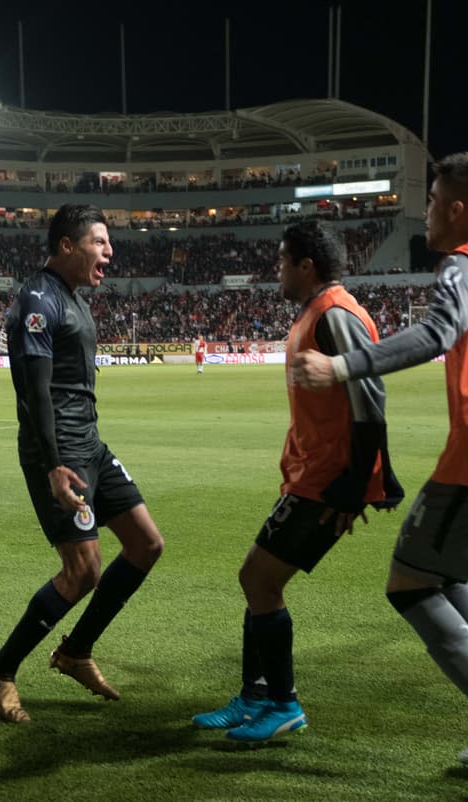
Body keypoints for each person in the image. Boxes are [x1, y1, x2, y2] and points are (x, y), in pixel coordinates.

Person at [292, 153, 468, 800]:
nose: (423, 217)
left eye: (431, 201)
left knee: (410, 583)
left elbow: (440, 331)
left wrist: (341, 368)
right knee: (447, 576)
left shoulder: (467, 263)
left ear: (455, 208)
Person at [191, 220, 403, 741]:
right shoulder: (316, 314)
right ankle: (255, 696)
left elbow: (370, 402)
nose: (276, 270)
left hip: (327, 483)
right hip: (310, 476)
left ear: (306, 265)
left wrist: (358, 485)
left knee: (258, 579)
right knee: (258, 581)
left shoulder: (334, 314)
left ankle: (282, 702)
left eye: (283, 260)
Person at [0, 204, 165, 723]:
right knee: (83, 571)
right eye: (99, 242)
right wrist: (55, 465)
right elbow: (35, 392)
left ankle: (75, 651)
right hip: (58, 453)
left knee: (146, 543)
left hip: (92, 446)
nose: (109, 251)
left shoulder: (73, 298)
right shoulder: (38, 299)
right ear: (66, 245)